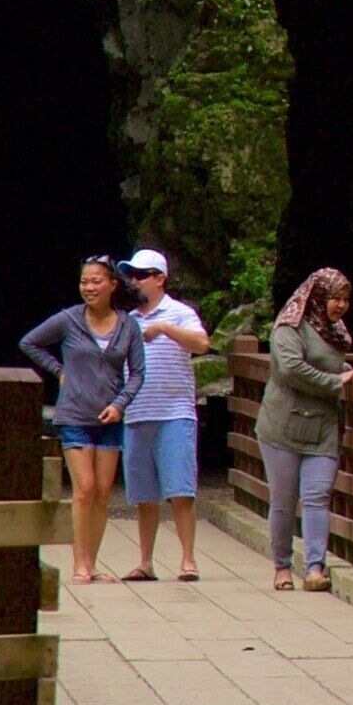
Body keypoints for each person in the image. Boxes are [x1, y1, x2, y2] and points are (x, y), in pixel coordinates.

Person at [21, 257, 148, 585]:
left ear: (112, 285)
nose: (89, 288)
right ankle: (79, 565)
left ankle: (92, 563)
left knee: (103, 492)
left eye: (96, 282)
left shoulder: (128, 325)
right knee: (84, 488)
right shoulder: (68, 320)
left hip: (110, 416)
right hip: (74, 414)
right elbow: (30, 342)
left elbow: (137, 373)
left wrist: (120, 404)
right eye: (84, 282)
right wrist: (59, 371)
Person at [256, 267, 353, 593]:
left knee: (317, 496)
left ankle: (315, 567)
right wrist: (334, 382)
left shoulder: (335, 331)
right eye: (334, 298)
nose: (340, 305)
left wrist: (345, 371)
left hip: (323, 426)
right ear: (317, 297)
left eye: (345, 299)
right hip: (283, 425)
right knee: (284, 500)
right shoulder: (289, 327)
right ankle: (282, 567)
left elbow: (329, 361)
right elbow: (290, 368)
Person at [115, 247, 212, 582]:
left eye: (141, 275)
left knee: (181, 491)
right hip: (137, 413)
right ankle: (145, 561)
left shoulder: (180, 313)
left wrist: (166, 329)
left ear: (159, 279)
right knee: (143, 495)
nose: (133, 281)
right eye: (130, 275)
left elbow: (201, 344)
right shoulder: (127, 320)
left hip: (174, 412)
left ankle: (188, 560)